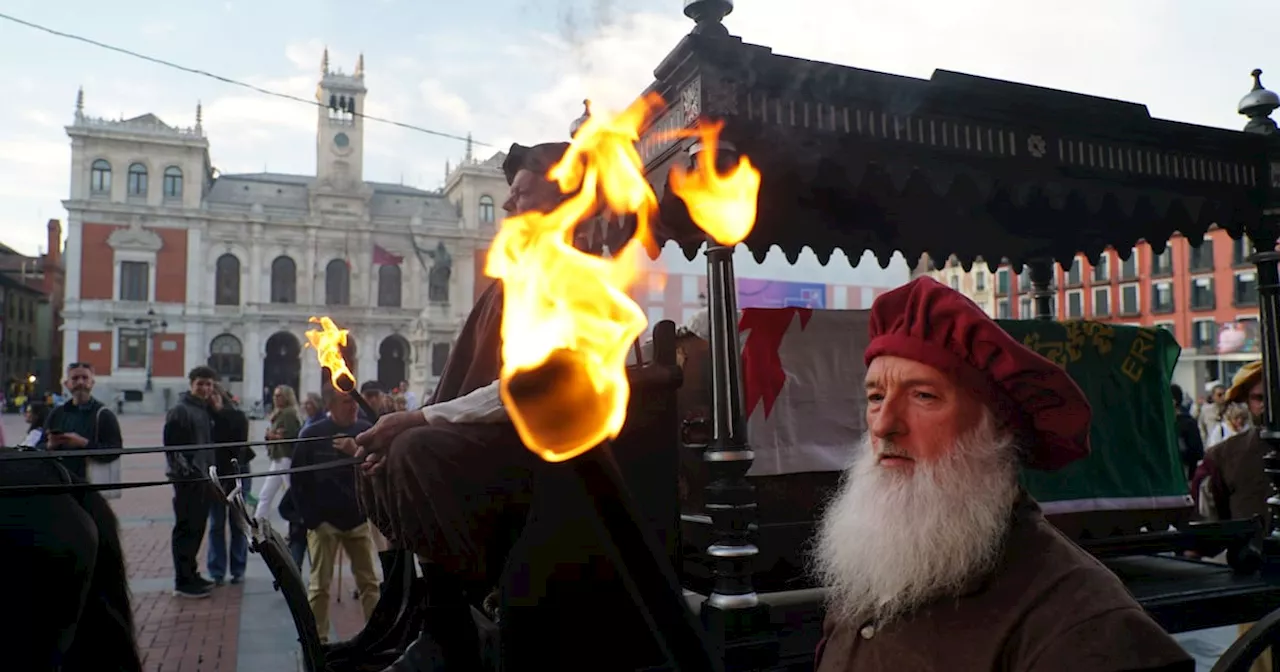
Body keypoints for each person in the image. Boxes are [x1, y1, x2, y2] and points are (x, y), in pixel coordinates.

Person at [810, 277, 1192, 672]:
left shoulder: (1080, 625)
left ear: (997, 432)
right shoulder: (881, 568)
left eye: (923, 395)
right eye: (875, 397)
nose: (884, 424)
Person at [352, 141, 573, 669]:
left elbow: (531, 384)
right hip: (492, 438)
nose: (506, 205)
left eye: (520, 192)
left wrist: (419, 419)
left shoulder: (570, 275)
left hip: (542, 453)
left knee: (416, 453)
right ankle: (420, 609)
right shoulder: (511, 277)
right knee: (377, 458)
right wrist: (404, 424)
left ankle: (452, 627)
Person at [290, 389, 381, 643]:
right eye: (346, 401)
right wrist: (312, 519)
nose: (353, 406)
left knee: (370, 583)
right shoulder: (311, 434)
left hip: (358, 520)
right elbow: (298, 480)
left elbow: (377, 470)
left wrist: (355, 452)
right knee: (319, 586)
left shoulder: (366, 431)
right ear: (331, 404)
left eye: (354, 401)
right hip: (324, 524)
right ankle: (318, 640)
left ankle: (376, 636)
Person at [163, 366, 219, 599]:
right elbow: (172, 448)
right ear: (191, 384)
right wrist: (187, 476)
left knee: (197, 528)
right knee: (186, 528)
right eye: (200, 384)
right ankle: (183, 580)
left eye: (209, 384)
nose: (205, 388)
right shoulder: (181, 410)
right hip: (189, 481)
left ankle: (192, 574)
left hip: (203, 478)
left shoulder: (204, 410)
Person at [40, 362, 124, 481]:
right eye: (75, 378)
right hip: (59, 482)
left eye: (85, 378)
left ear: (92, 383)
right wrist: (49, 445)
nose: (80, 382)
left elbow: (115, 450)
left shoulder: (104, 414)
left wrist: (84, 444)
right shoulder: (56, 413)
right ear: (66, 384)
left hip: (90, 484)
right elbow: (38, 447)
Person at [206, 384, 250, 586]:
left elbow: (238, 439)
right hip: (214, 474)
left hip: (236, 471)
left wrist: (220, 412)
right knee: (216, 524)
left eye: (215, 393)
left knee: (238, 523)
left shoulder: (235, 415)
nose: (211, 397)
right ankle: (216, 570)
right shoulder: (205, 417)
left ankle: (238, 568)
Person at [255, 385, 303, 522]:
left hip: (285, 456)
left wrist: (273, 436)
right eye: (275, 395)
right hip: (278, 456)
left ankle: (296, 523)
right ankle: (259, 520)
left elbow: (291, 436)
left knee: (290, 492)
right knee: (267, 492)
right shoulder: (280, 412)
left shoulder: (289, 413)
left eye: (279, 395)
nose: (275, 398)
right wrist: (272, 435)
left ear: (287, 397)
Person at [1170, 384, 1205, 482]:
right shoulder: (1161, 424)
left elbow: (1198, 452)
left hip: (1186, 477)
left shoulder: (1188, 423)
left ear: (1174, 401)